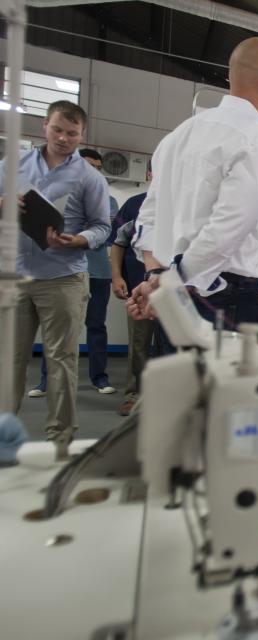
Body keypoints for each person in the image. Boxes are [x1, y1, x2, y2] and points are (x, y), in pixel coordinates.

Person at [128, 37, 258, 341]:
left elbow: (147, 218)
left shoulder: (178, 136)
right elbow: (227, 230)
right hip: (228, 299)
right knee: (230, 389)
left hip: (173, 294)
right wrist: (169, 283)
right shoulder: (256, 141)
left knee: (178, 386)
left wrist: (156, 278)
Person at [3, 100, 111, 445]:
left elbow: (102, 227)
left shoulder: (89, 178)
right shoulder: (12, 165)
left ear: (82, 135)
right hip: (16, 276)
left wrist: (79, 239)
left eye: (72, 133)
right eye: (58, 129)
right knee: (9, 360)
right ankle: (5, 435)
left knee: (61, 360)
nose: (64, 138)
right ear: (44, 125)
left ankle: (60, 438)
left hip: (64, 278)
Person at [29, 148, 119, 398]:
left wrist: (80, 232)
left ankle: (99, 378)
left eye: (98, 167)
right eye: (89, 165)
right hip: (62, 271)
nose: (93, 171)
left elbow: (103, 235)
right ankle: (46, 381)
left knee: (96, 325)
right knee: (56, 330)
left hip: (98, 272)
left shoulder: (108, 200)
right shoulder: (56, 195)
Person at [109, 160, 154, 416]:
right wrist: (117, 276)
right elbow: (118, 244)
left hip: (174, 290)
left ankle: (164, 396)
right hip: (139, 286)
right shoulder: (134, 205)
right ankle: (134, 394)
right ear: (149, 174)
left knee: (172, 344)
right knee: (139, 344)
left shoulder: (184, 204)